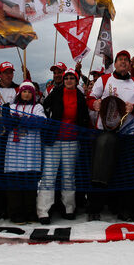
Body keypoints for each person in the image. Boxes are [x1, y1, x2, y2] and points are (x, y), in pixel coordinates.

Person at [86, 50, 134, 221]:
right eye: (120, 60)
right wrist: (94, 104)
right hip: (103, 132)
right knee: (100, 169)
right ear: (116, 63)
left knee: (126, 172)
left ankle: (125, 209)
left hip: (127, 133)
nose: (123, 63)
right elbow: (90, 98)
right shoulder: (104, 79)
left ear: (129, 64)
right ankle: (94, 208)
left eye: (126, 61)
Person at [38, 68, 90, 224]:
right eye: (66, 77)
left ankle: (69, 207)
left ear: (76, 80)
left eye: (72, 78)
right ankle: (43, 210)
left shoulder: (80, 96)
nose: (68, 80)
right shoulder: (56, 92)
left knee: (68, 176)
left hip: (71, 141)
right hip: (53, 141)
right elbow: (43, 107)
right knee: (49, 175)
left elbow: (84, 118)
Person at [4, 82, 45, 224]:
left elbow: (41, 122)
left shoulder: (38, 107)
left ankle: (29, 211)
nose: (26, 94)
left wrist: (24, 120)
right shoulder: (12, 107)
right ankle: (16, 212)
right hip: (15, 152)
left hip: (31, 153)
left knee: (30, 184)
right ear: (19, 93)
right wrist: (8, 117)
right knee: (15, 183)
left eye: (29, 92)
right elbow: (6, 124)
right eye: (24, 91)